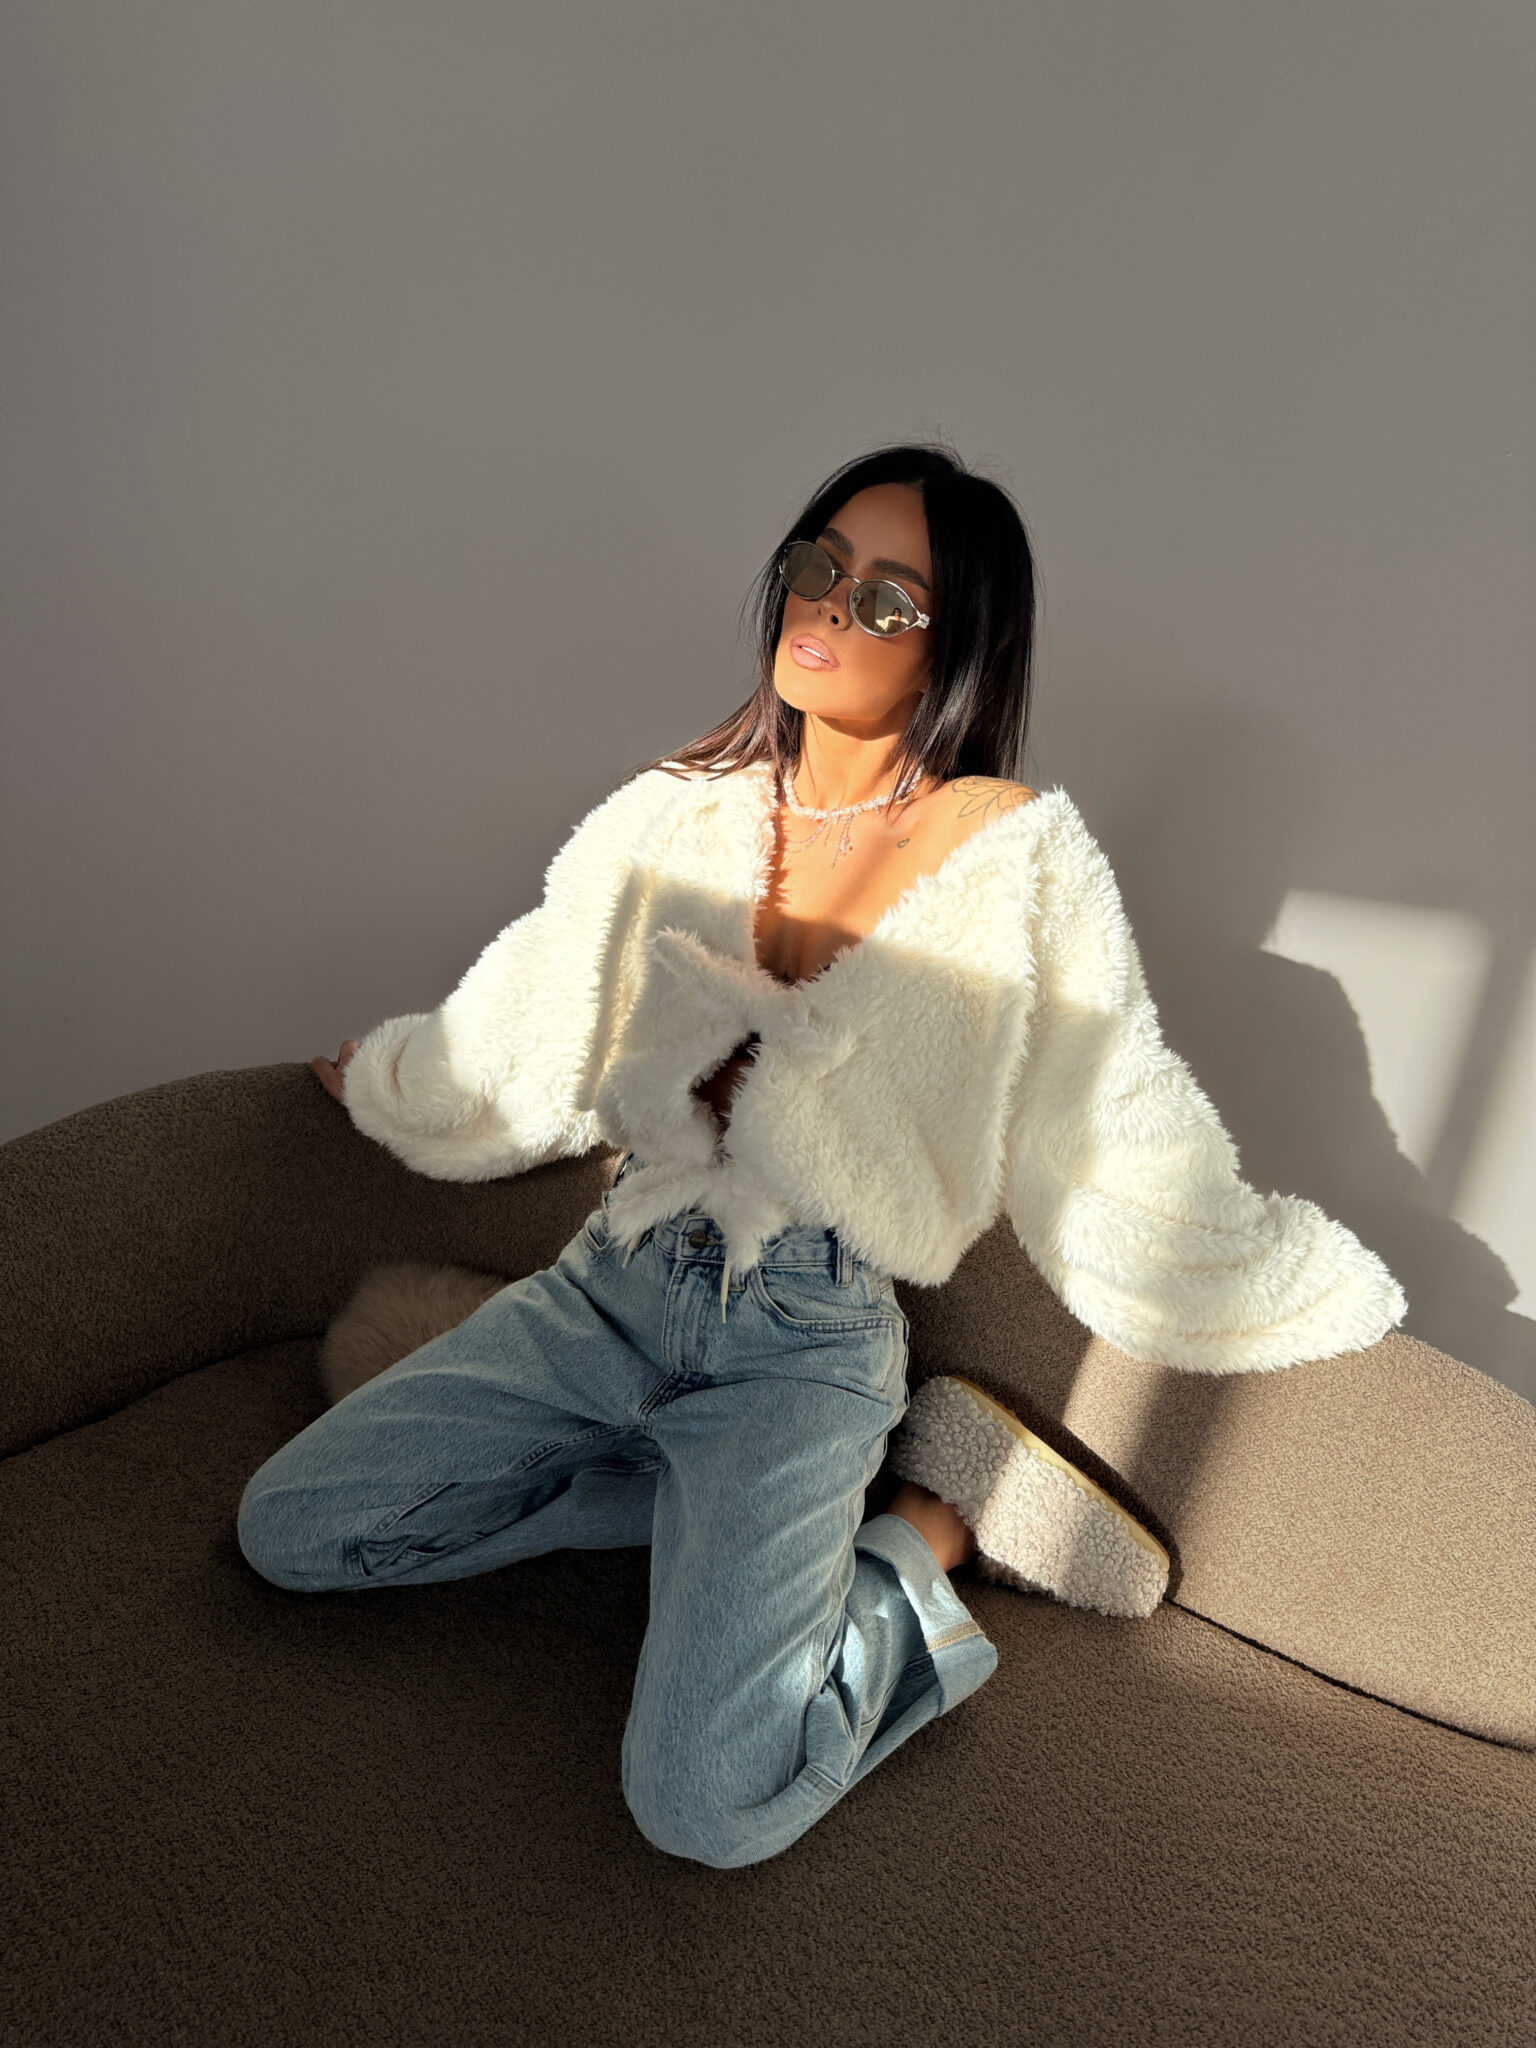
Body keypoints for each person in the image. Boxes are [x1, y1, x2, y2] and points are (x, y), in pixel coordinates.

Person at [240, 440, 1405, 1870]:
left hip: (802, 1341)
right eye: (819, 565)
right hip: (609, 1284)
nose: (831, 608)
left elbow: (1110, 1102)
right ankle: (680, 1504)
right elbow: (537, 1010)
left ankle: (912, 1550)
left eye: (890, 599)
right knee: (291, 1528)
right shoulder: (680, 806)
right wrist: (398, 1077)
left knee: (705, 1807)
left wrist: (1274, 1272)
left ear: (956, 645)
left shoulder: (1014, 854)